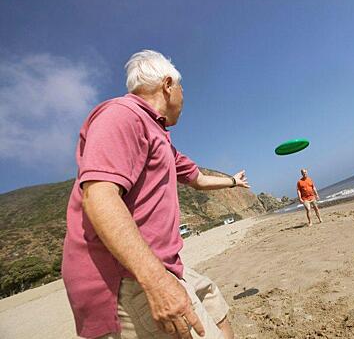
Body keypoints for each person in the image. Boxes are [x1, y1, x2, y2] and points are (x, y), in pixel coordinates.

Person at [62, 49, 250, 339]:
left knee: (213, 302)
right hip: (126, 275)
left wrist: (233, 183)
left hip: (163, 264)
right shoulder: (123, 115)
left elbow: (197, 178)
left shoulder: (158, 135)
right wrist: (156, 282)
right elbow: (99, 196)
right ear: (168, 85)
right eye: (182, 88)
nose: (184, 98)